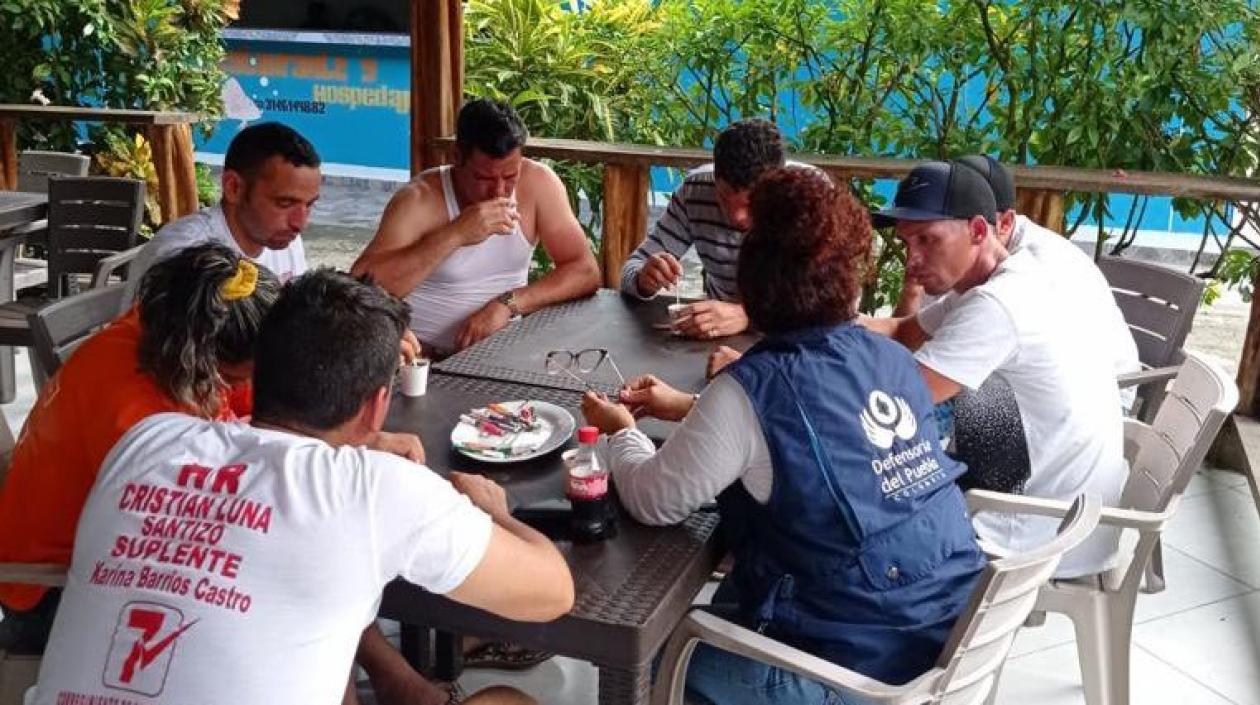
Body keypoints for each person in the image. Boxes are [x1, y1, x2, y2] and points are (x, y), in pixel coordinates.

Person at [32, 270, 574, 705]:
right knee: (506, 699)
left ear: (257, 373)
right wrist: (495, 511)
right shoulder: (375, 491)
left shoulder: (148, 442)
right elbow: (552, 593)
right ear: (375, 406)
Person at [582, 167, 985, 704]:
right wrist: (688, 408)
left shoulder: (750, 389)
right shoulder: (892, 359)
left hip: (860, 674)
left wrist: (622, 433)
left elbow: (653, 500)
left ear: (754, 282)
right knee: (729, 597)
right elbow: (815, 432)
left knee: (656, 653)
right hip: (948, 636)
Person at [0, 243, 281, 656]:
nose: (237, 389)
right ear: (199, 359)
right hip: (49, 591)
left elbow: (249, 406)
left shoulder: (160, 335)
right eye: (233, 378)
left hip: (94, 549)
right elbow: (180, 523)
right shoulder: (135, 413)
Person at [860, 160, 1126, 577]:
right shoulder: (1003, 278)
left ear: (980, 230)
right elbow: (898, 331)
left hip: (1037, 528)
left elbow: (896, 406)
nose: (912, 261)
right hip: (1061, 503)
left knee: (845, 523)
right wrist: (787, 323)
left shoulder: (998, 305)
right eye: (907, 243)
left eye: (928, 240)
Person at [352, 99, 600, 356]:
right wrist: (456, 233)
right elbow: (361, 285)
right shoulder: (419, 198)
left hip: (502, 350)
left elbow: (584, 271)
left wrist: (507, 304)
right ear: (457, 158)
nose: (499, 190)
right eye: (484, 178)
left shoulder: (538, 183)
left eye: (510, 176)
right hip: (423, 356)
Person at [895, 155, 1140, 402]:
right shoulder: (976, 268)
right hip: (1030, 402)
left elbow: (910, 391)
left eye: (927, 237)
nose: (912, 257)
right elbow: (908, 336)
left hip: (1105, 398)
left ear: (991, 226)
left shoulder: (1028, 276)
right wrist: (911, 290)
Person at [121, 121, 320, 310]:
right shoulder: (182, 255)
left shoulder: (287, 240)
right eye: (284, 203)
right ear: (233, 188)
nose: (300, 223)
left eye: (309, 205)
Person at [619, 118, 785, 340]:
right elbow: (630, 270)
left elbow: (829, 310)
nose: (736, 216)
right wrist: (644, 279)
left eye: (751, 203)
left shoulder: (807, 200)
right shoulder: (696, 190)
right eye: (724, 197)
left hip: (795, 345)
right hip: (719, 339)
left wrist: (745, 315)